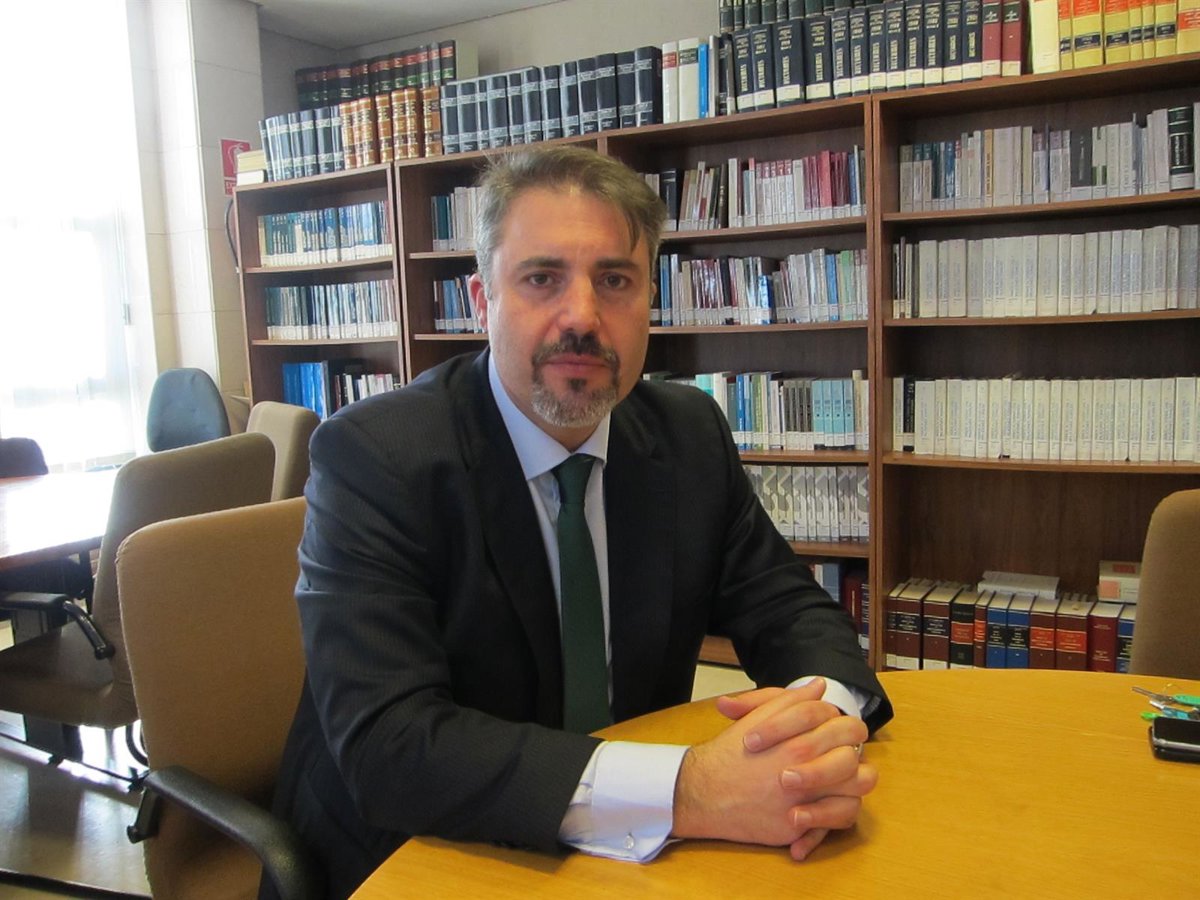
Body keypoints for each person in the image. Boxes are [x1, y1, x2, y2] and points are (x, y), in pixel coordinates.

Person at [266, 145, 893, 899]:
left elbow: (788, 607)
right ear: (482, 300)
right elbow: (390, 746)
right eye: (542, 278)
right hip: (420, 852)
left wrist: (820, 725)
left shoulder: (686, 433)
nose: (583, 318)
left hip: (625, 859)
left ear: (650, 300)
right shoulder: (376, 458)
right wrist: (690, 789)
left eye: (615, 281)